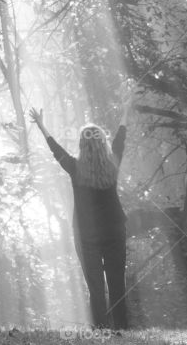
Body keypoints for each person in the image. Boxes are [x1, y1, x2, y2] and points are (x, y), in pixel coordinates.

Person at [29, 100, 134, 330]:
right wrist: (125, 110)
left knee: (96, 287)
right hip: (115, 230)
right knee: (117, 283)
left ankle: (100, 332)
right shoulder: (113, 163)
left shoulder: (76, 168)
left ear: (81, 145)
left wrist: (41, 126)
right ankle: (123, 330)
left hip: (86, 236)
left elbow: (56, 150)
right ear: (103, 143)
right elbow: (120, 138)